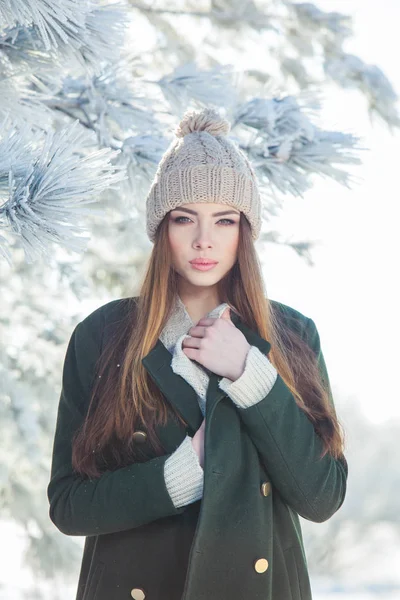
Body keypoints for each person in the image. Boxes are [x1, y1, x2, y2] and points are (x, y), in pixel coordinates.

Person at [47, 107, 348, 600]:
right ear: (162, 226)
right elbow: (68, 504)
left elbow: (323, 495)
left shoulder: (293, 335)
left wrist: (252, 376)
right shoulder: (103, 335)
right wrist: (185, 470)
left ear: (243, 231)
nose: (203, 240)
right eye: (185, 217)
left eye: (224, 220)